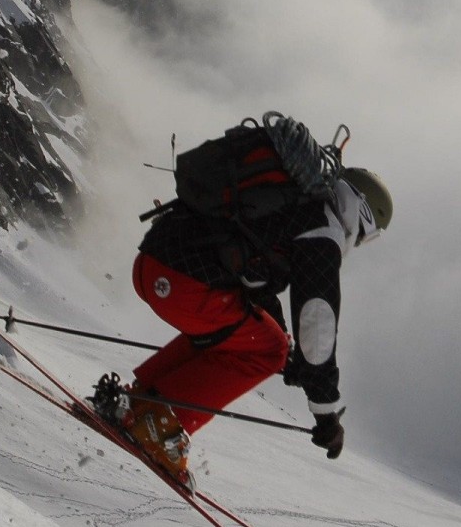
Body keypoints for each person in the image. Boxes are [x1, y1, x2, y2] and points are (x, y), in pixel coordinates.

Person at [97, 139, 393, 486]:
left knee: (253, 338)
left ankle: (138, 404)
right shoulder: (322, 230)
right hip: (182, 284)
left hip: (152, 264)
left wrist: (286, 342)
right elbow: (317, 320)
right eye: (369, 236)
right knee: (269, 349)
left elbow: (252, 286)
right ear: (363, 213)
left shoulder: (291, 202)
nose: (359, 242)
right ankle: (157, 426)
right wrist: (325, 411)